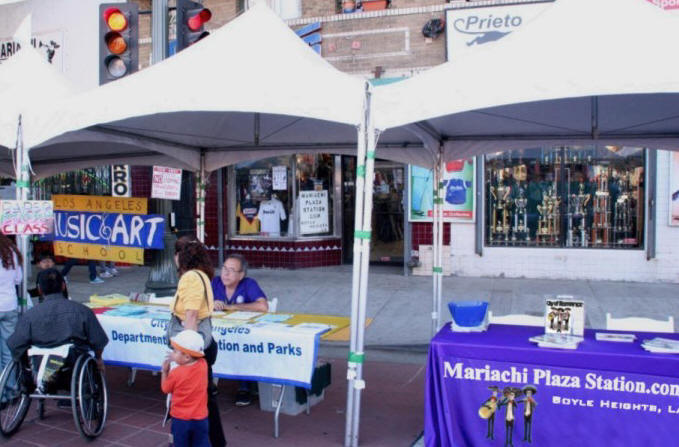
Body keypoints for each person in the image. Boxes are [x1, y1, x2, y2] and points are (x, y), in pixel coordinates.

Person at [173, 236, 226, 447]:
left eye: (175, 254)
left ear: (180, 256)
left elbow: (192, 315)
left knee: (198, 397)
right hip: (200, 345)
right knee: (203, 396)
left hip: (195, 347)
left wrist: (185, 355)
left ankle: (205, 441)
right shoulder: (201, 276)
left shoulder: (191, 278)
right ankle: (214, 441)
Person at [7, 268, 108, 370]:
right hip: (73, 365)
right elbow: (99, 341)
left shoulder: (29, 316)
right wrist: (98, 358)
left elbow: (15, 345)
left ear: (39, 289)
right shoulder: (83, 311)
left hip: (39, 367)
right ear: (63, 286)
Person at [211, 254, 267, 407]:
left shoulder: (249, 284)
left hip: (243, 335)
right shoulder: (215, 283)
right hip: (219, 333)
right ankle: (210, 382)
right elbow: (199, 303)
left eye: (231, 270)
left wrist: (233, 307)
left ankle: (245, 387)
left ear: (241, 274)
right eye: (224, 269)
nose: (226, 274)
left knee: (244, 346)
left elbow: (263, 306)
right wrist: (211, 303)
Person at [161, 330, 210, 447]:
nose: (172, 354)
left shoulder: (176, 373)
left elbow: (165, 389)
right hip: (201, 418)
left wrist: (164, 372)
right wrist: (178, 357)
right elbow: (199, 356)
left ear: (187, 357)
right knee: (201, 442)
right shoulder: (203, 365)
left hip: (180, 419)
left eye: (175, 351)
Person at [0, 233, 22, 372]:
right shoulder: (11, 251)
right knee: (8, 351)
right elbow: (18, 279)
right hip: (9, 305)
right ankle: (10, 389)